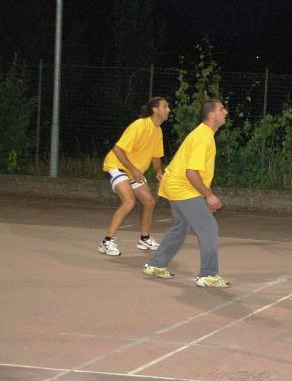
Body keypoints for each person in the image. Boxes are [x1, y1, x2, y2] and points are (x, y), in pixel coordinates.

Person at [143, 98, 231, 288]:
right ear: (211, 114)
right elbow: (191, 173)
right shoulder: (203, 137)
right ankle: (208, 274)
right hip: (181, 186)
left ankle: (156, 265)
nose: (226, 112)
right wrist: (209, 196)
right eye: (222, 109)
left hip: (176, 185)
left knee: (181, 227)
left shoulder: (204, 134)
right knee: (208, 226)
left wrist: (204, 195)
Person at [98, 96, 170, 256]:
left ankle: (144, 239)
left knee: (149, 202)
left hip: (133, 171)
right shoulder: (139, 125)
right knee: (129, 201)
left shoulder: (157, 131)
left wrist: (159, 172)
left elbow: (156, 156)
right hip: (116, 166)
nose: (168, 110)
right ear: (155, 109)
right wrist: (134, 170)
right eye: (165, 107)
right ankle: (106, 241)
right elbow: (117, 149)